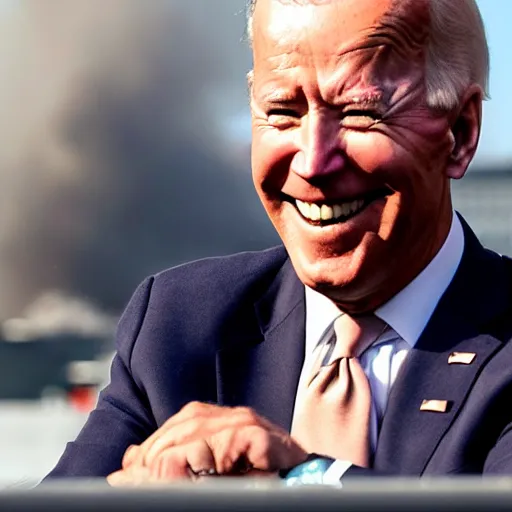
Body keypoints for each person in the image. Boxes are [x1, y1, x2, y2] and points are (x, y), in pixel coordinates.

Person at [46, 0, 512, 485]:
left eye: (358, 113)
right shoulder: (178, 327)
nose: (312, 162)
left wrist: (300, 480)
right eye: (282, 113)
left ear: (459, 133)